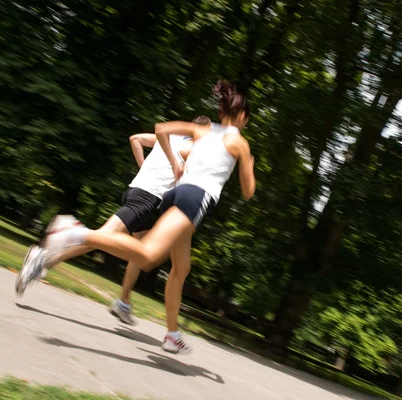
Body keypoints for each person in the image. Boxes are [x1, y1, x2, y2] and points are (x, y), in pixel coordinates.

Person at [37, 80, 255, 354]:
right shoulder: (239, 142)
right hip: (196, 199)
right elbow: (248, 191)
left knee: (181, 268)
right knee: (148, 256)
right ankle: (74, 232)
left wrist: (176, 161)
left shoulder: (203, 129)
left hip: (174, 196)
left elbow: (161, 129)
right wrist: (248, 164)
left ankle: (172, 334)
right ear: (243, 115)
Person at [16, 117, 211, 326]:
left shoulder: (169, 139)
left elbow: (135, 139)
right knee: (102, 237)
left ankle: (124, 302)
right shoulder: (191, 149)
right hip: (147, 198)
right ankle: (43, 258)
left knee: (140, 250)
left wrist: (143, 166)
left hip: (136, 190)